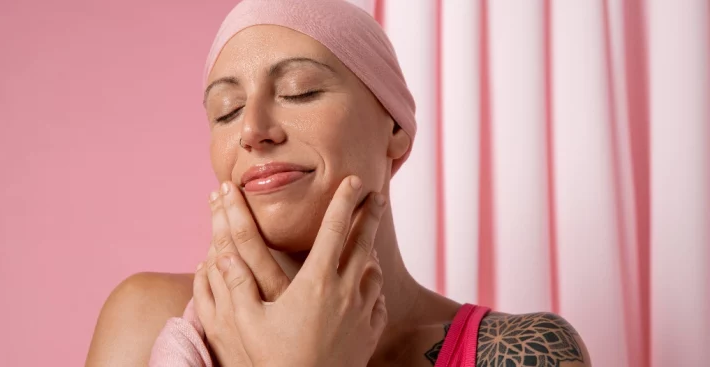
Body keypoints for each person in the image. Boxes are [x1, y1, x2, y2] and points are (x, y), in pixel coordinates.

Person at [85, 0, 592, 366]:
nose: (252, 130)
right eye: (227, 110)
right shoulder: (143, 318)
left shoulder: (524, 352)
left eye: (299, 91)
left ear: (394, 127)